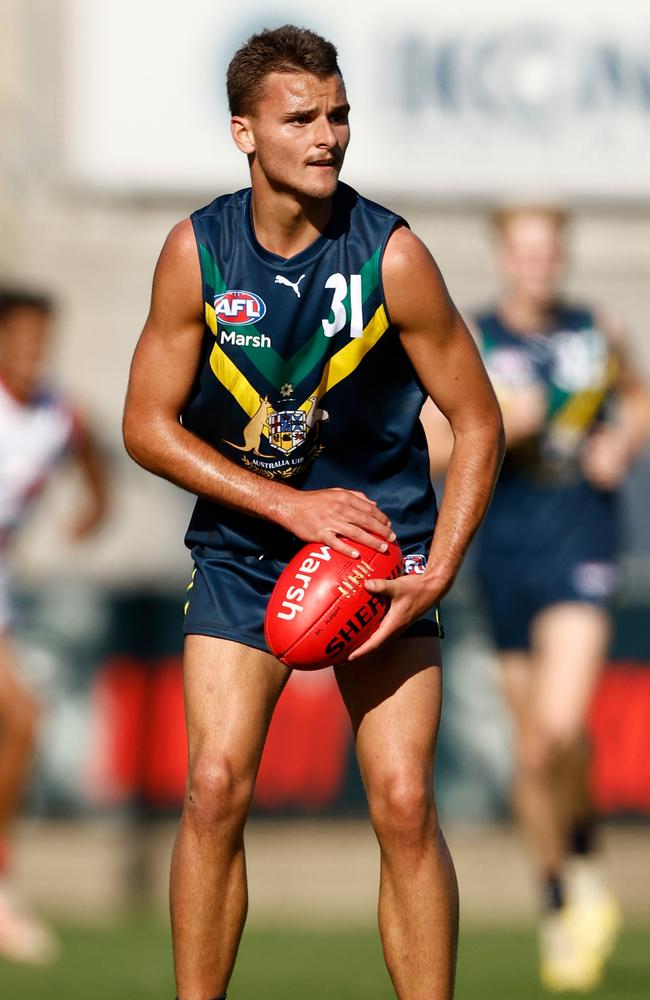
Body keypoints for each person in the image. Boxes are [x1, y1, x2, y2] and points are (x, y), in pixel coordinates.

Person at [123, 25, 503, 1000]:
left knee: (406, 799)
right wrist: (286, 507)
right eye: (301, 118)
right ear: (244, 133)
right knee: (212, 789)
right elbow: (144, 426)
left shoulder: (394, 258)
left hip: (382, 556)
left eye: (337, 114)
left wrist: (438, 568)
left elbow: (477, 421)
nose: (327, 135)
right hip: (248, 549)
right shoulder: (196, 254)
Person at [422, 205, 650, 992]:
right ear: (504, 258)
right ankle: (561, 895)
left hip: (582, 543)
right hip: (506, 550)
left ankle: (581, 868)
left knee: (556, 729)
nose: (539, 265)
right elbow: (433, 443)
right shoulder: (473, 339)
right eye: (525, 252)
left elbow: (638, 401)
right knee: (532, 750)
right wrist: (494, 431)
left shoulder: (599, 327)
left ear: (563, 256)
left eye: (550, 251)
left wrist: (623, 438)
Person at [0, 287, 108, 963]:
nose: (34, 351)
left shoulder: (58, 415)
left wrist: (93, 510)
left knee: (23, 724)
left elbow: (96, 465)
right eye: (21, 337)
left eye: (44, 338)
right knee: (22, 719)